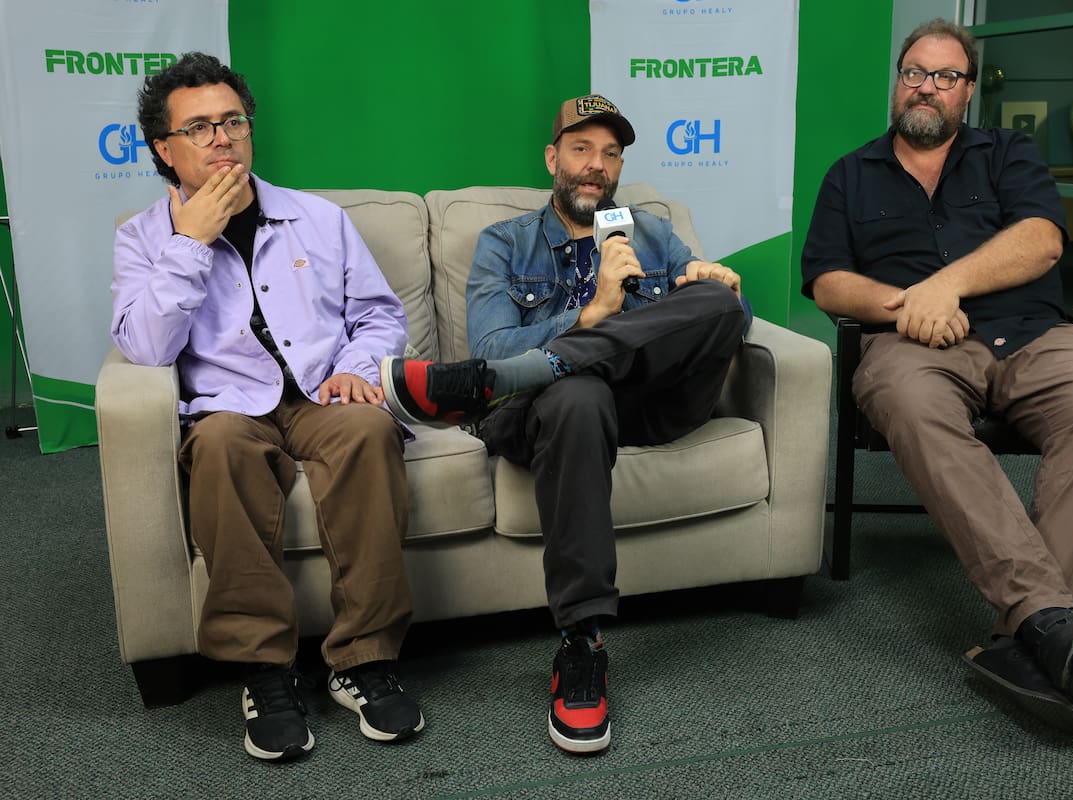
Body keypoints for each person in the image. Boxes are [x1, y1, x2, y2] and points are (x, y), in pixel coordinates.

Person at [379, 94, 751, 754]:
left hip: (653, 403)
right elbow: (493, 344)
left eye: (611, 154)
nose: (596, 165)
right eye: (582, 149)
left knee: (722, 304)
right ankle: (582, 642)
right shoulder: (506, 242)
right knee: (577, 392)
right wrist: (591, 313)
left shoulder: (649, 232)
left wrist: (706, 279)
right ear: (553, 159)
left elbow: (722, 326)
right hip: (554, 413)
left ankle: (513, 377)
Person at [801, 19, 1073, 735]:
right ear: (897, 82)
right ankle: (1048, 622)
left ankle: (1026, 634)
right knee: (909, 402)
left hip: (1032, 332)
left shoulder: (1008, 153)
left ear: (968, 91)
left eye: (945, 76)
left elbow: (1041, 240)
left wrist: (945, 285)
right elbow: (827, 281)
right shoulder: (850, 174)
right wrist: (911, 305)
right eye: (914, 73)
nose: (926, 87)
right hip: (913, 346)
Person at [111, 53, 423, 761]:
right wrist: (191, 241)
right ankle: (264, 670)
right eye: (199, 127)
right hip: (229, 407)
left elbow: (378, 314)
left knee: (369, 430)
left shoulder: (318, 218)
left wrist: (353, 370)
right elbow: (148, 347)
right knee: (220, 448)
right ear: (165, 149)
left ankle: (364, 659)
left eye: (233, 121)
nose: (222, 138)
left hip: (319, 393)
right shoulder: (142, 238)